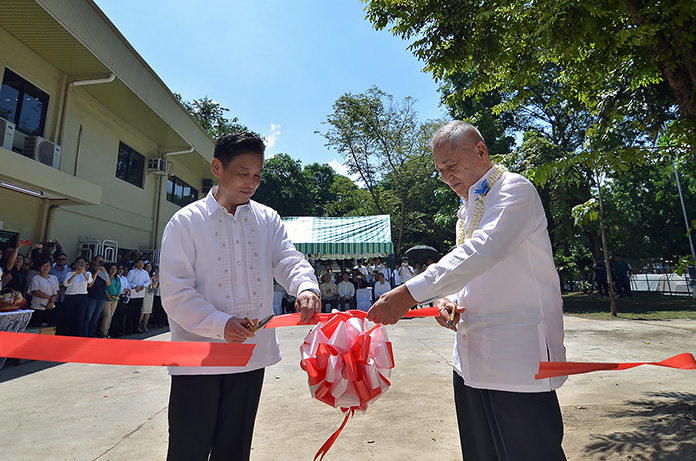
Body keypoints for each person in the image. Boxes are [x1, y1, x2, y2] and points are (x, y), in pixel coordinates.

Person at [367, 121, 567, 460]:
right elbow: (471, 273)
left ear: (480, 151)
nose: (446, 176)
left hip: (518, 358)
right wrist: (449, 300)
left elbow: (484, 250)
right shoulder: (467, 209)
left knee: (530, 452)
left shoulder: (513, 191)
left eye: (451, 166)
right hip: (471, 360)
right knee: (481, 452)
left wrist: (407, 294)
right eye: (440, 170)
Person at [160, 131, 320, 461]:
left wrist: (305, 287)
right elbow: (175, 292)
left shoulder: (267, 219)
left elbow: (287, 259)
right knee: (188, 448)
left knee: (234, 449)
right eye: (243, 173)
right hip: (198, 357)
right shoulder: (186, 222)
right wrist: (220, 324)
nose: (251, 183)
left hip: (250, 355)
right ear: (218, 167)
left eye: (257, 176)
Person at [58, 257, 94, 336]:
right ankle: (66, 335)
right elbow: (65, 284)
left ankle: (77, 336)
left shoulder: (88, 273)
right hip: (70, 296)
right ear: (75, 264)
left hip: (82, 297)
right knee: (68, 317)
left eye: (82, 263)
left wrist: (84, 273)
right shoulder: (70, 273)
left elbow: (90, 281)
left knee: (79, 318)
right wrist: (75, 275)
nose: (80, 265)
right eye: (78, 263)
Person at [27, 256, 59, 326]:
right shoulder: (36, 278)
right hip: (37, 307)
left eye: (47, 266)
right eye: (43, 266)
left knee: (47, 328)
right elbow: (36, 292)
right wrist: (50, 298)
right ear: (39, 267)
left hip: (50, 307)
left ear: (50, 267)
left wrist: (51, 302)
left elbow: (56, 292)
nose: (45, 268)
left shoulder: (54, 278)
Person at [85, 255, 111, 337]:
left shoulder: (104, 272)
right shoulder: (90, 272)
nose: (100, 263)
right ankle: (85, 334)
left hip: (101, 297)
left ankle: (92, 334)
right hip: (92, 297)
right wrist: (97, 272)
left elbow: (108, 283)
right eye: (98, 262)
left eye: (102, 262)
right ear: (94, 262)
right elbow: (90, 283)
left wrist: (105, 272)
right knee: (88, 317)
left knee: (95, 317)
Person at [126, 258, 150, 334]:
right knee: (130, 312)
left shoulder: (145, 273)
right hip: (133, 293)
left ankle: (136, 328)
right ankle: (128, 329)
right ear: (135, 264)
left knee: (137, 312)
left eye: (141, 264)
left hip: (140, 294)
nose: (140, 265)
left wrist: (143, 285)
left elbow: (148, 281)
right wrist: (135, 286)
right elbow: (127, 281)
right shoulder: (132, 272)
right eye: (138, 263)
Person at [108, 264, 131, 338]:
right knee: (115, 315)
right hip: (117, 296)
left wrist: (127, 290)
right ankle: (113, 331)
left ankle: (119, 330)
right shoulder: (115, 277)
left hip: (124, 297)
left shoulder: (124, 278)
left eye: (122, 269)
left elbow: (128, 287)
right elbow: (119, 288)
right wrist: (124, 290)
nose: (121, 270)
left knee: (121, 315)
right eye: (119, 269)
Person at [100, 263, 121, 338]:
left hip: (115, 300)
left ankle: (106, 332)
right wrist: (108, 296)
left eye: (115, 269)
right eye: (112, 269)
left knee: (110, 316)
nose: (113, 270)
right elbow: (104, 288)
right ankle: (103, 332)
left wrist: (118, 295)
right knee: (107, 316)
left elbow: (119, 288)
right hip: (106, 299)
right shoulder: (106, 277)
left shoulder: (117, 278)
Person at [140, 263, 158, 332]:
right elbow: (146, 283)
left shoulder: (152, 274)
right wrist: (152, 277)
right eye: (147, 266)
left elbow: (155, 285)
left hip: (150, 293)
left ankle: (145, 326)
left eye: (150, 266)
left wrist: (156, 279)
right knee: (143, 310)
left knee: (148, 311)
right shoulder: (144, 274)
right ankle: (138, 325)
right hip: (144, 293)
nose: (149, 268)